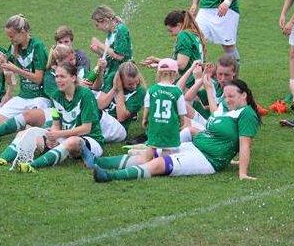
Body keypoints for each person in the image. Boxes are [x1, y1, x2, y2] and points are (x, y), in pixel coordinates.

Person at [87, 78, 260, 182]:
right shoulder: (225, 106)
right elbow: (217, 116)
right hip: (196, 146)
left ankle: (109, 177)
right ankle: (98, 162)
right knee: (151, 155)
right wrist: (209, 90)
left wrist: (242, 173)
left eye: (232, 96)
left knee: (158, 164)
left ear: (244, 95)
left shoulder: (247, 114)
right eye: (226, 95)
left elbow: (244, 144)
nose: (227, 99)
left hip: (208, 159)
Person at [0, 15, 48, 131]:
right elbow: (1, 71)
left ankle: (23, 123)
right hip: (23, 96)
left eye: (12, 36)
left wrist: (16, 70)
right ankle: (20, 122)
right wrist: (1, 63)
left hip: (40, 97)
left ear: (22, 32)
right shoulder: (13, 47)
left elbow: (38, 79)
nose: (11, 39)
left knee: (30, 130)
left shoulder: (37, 47)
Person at [141, 9, 206, 77]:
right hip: (197, 78)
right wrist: (159, 64)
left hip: (189, 82)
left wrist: (157, 59)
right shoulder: (193, 34)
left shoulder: (184, 35)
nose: (171, 34)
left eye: (170, 30)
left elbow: (181, 65)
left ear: (179, 25)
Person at [95, 61, 146, 143]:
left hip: (118, 128)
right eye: (130, 84)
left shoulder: (140, 92)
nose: (134, 86)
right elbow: (99, 105)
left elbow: (121, 117)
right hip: (103, 118)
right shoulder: (113, 78)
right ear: (121, 81)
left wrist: (119, 90)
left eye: (136, 82)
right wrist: (114, 88)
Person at [89, 5, 133, 93]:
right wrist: (98, 51)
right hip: (110, 73)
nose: (97, 28)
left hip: (120, 74)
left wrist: (100, 44)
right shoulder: (110, 33)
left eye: (97, 25)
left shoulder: (120, 30)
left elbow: (120, 56)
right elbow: (109, 55)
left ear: (105, 21)